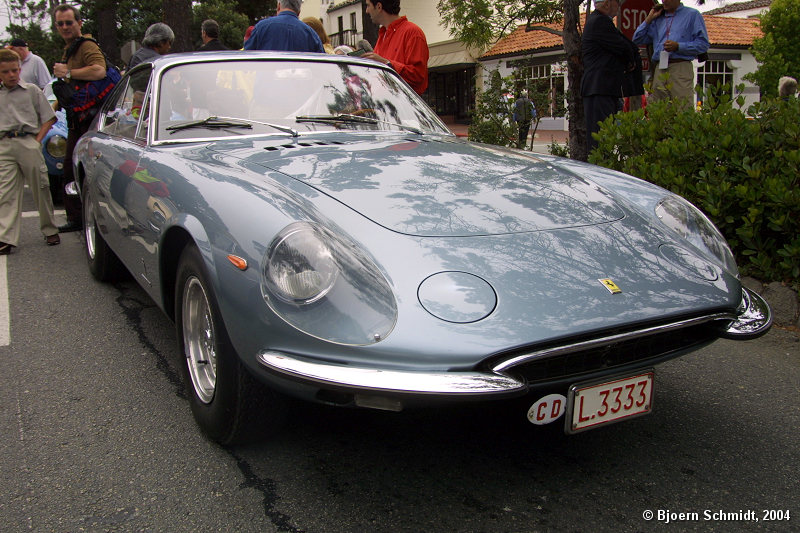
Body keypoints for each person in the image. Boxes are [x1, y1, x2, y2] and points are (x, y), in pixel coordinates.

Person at [52, 4, 108, 232]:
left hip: (89, 120)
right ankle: (78, 218)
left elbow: (99, 71)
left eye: (69, 22)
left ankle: (84, 218)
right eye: (60, 24)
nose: (65, 27)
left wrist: (68, 72)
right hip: (76, 118)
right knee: (72, 170)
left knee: (80, 170)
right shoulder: (71, 49)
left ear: (79, 23)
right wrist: (54, 107)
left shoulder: (85, 46)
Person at [0, 49, 60, 254]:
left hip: (28, 141)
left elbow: (50, 117)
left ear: (19, 69)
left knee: (41, 187)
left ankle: (50, 228)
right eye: (6, 71)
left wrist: (37, 140)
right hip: (4, 145)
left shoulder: (31, 90)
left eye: (14, 70)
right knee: (5, 192)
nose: (11, 75)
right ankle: (6, 237)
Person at [581, 0, 638, 153]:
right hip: (599, 88)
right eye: (616, 3)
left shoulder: (600, 22)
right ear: (606, 4)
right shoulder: (600, 22)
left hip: (606, 89)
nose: (619, 7)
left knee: (607, 138)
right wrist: (630, 59)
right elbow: (624, 46)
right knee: (600, 142)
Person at [633, 0, 709, 106]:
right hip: (660, 68)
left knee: (683, 107)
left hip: (680, 66)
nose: (664, 1)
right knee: (657, 109)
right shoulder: (658, 17)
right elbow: (637, 39)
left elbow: (703, 44)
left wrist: (678, 46)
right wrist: (649, 18)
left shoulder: (692, 15)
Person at [362, 0, 429, 95]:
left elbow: (418, 76)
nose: (367, 11)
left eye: (368, 6)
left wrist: (386, 63)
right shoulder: (383, 35)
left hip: (405, 105)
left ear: (379, 6)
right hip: (385, 104)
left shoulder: (413, 33)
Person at [244, 0, 324, 53]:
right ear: (299, 12)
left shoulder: (261, 27)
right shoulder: (311, 35)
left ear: (278, 6)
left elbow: (247, 57)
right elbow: (322, 66)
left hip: (266, 78)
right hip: (299, 79)